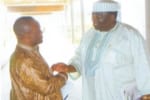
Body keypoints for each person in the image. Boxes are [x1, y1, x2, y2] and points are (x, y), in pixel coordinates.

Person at [51, 0, 150, 100]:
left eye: (99, 16)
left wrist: (147, 93)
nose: (95, 20)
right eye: (93, 15)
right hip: (92, 94)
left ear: (113, 16)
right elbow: (80, 57)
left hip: (120, 94)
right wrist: (69, 68)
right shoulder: (89, 35)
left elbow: (144, 65)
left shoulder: (130, 35)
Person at [9, 16, 68, 100]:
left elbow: (33, 79)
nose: (41, 32)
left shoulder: (31, 51)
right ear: (25, 35)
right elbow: (47, 87)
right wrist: (63, 75)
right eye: (38, 30)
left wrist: (49, 71)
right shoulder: (24, 60)